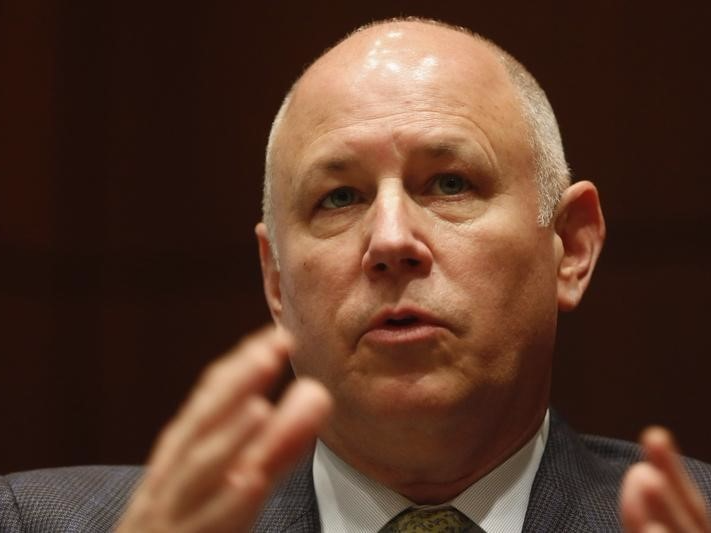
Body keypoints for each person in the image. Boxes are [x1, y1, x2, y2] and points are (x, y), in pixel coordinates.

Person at [1, 17, 710, 533]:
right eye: (338, 197)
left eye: (450, 183)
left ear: (571, 246)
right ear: (276, 280)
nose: (391, 240)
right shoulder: (35, 522)